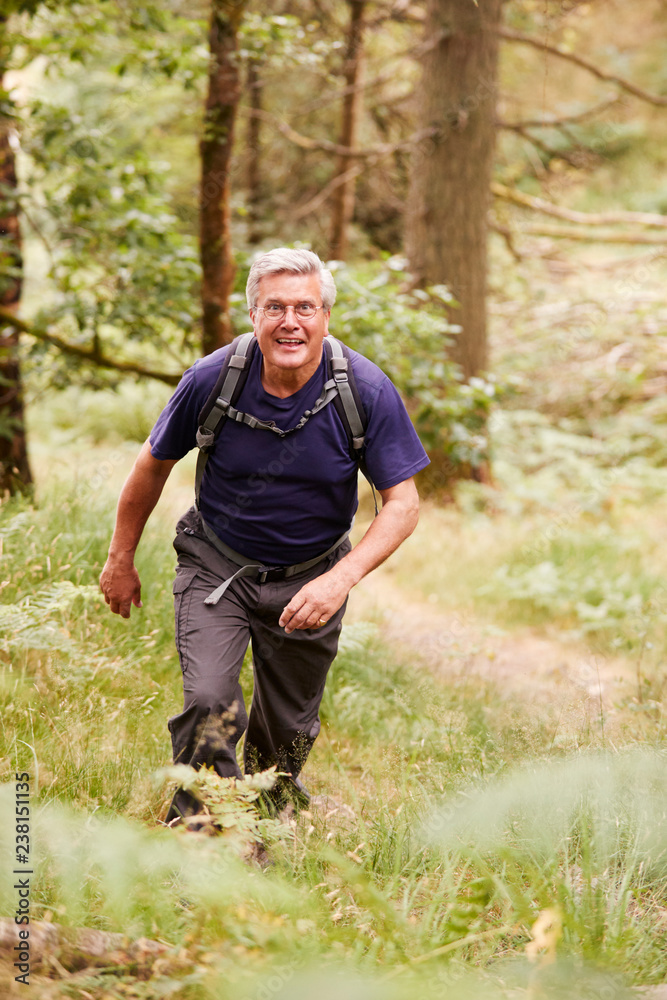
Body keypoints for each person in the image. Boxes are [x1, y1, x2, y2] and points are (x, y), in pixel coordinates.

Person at [99, 248, 429, 823]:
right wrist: (119, 558)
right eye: (274, 307)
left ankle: (267, 817)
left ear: (326, 317)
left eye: (305, 307)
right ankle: (210, 835)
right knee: (208, 704)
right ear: (252, 315)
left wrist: (339, 581)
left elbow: (402, 504)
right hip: (216, 566)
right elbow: (151, 466)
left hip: (312, 578)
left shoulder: (365, 391)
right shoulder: (212, 380)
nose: (290, 321)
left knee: (288, 735)